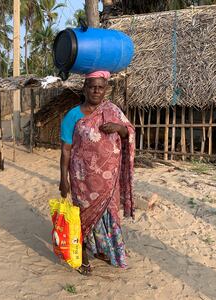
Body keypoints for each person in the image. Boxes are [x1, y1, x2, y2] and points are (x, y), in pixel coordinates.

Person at [59, 71, 135, 275]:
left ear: (105, 90)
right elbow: (66, 149)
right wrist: (63, 179)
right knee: (82, 217)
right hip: (82, 179)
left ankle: (103, 250)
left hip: (109, 180)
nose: (96, 90)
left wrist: (118, 128)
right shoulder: (73, 115)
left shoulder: (112, 111)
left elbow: (130, 131)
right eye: (92, 86)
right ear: (84, 89)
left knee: (109, 214)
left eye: (100, 87)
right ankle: (82, 255)